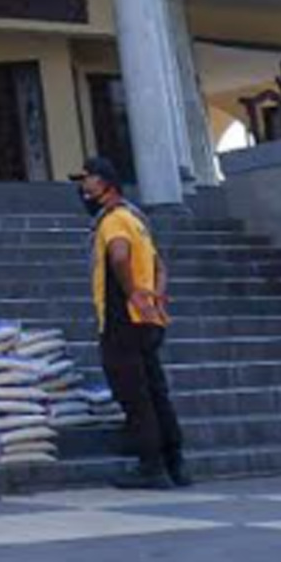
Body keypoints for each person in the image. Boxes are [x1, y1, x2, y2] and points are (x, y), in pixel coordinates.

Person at [75, 155, 189, 490]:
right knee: (156, 390)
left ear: (104, 183)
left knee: (133, 393)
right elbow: (160, 267)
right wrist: (153, 298)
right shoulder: (137, 219)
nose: (82, 188)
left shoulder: (113, 221)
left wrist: (133, 294)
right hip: (149, 319)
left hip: (123, 319)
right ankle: (175, 462)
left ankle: (151, 466)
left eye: (87, 180)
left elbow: (120, 256)